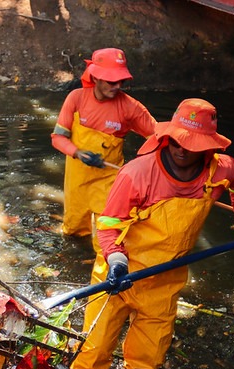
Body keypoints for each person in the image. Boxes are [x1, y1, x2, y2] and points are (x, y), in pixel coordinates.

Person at [69, 98, 234, 369]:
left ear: (209, 146)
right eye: (176, 142)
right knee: (93, 352)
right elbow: (109, 225)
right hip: (120, 272)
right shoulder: (136, 174)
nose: (182, 149)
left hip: (165, 277)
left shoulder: (222, 170)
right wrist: (116, 260)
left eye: (192, 145)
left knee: (149, 359)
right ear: (167, 136)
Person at [51, 48, 156, 245]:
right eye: (111, 81)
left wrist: (145, 169)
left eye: (121, 81)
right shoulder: (76, 98)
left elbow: (159, 137)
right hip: (77, 180)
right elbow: (57, 138)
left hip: (110, 180)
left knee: (108, 237)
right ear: (96, 77)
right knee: (73, 232)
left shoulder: (130, 108)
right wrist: (78, 153)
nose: (117, 86)